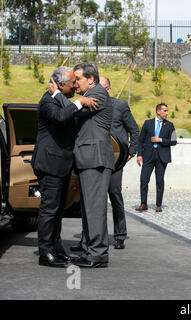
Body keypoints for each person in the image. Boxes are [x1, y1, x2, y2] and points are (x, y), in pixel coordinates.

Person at [31, 66, 98, 268]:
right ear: (60, 85)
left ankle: (56, 248)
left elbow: (71, 116)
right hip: (50, 164)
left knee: (57, 210)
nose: (76, 85)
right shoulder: (47, 102)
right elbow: (61, 117)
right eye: (72, 83)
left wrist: (75, 102)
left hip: (60, 165)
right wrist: (80, 101)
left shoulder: (60, 100)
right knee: (49, 210)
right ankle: (46, 253)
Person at [51, 62, 114, 268]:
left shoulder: (98, 94)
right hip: (88, 159)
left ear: (91, 79)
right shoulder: (88, 95)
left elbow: (72, 111)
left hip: (95, 159)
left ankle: (97, 255)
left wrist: (57, 94)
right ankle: (89, 251)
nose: (75, 84)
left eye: (78, 79)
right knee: (88, 209)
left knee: (94, 209)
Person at [100, 76, 139, 249]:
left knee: (115, 196)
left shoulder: (120, 106)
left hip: (116, 162)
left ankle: (120, 235)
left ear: (108, 89)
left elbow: (134, 130)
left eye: (101, 88)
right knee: (94, 200)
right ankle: (90, 238)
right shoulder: (92, 105)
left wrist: (131, 152)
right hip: (96, 160)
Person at [136, 103, 177, 213]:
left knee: (159, 180)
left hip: (162, 156)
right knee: (144, 179)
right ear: (158, 111)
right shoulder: (147, 123)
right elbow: (140, 141)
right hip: (148, 155)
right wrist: (139, 155)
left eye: (167, 111)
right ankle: (143, 204)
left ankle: (158, 205)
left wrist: (161, 140)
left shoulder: (170, 125)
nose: (167, 113)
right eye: (165, 111)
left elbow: (174, 141)